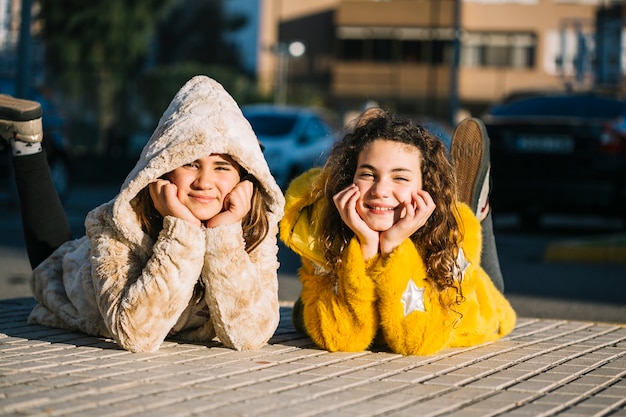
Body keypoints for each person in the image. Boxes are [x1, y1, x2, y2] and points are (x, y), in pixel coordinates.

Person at [0, 75, 285, 353]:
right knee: (51, 259)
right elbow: (135, 334)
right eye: (190, 164)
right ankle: (27, 144)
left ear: (243, 180)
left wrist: (224, 234)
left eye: (221, 167)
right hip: (72, 278)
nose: (204, 182)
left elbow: (251, 335)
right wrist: (182, 229)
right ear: (164, 166)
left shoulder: (254, 228)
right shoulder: (117, 224)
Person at [279, 108, 515, 356]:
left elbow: (417, 342)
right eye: (368, 174)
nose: (380, 190)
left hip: (471, 302)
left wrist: (393, 246)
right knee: (303, 315)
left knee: (494, 298)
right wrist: (367, 247)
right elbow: (340, 338)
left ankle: (477, 209)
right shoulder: (320, 225)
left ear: (427, 187)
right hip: (359, 309)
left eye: (400, 178)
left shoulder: (455, 235)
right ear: (349, 179)